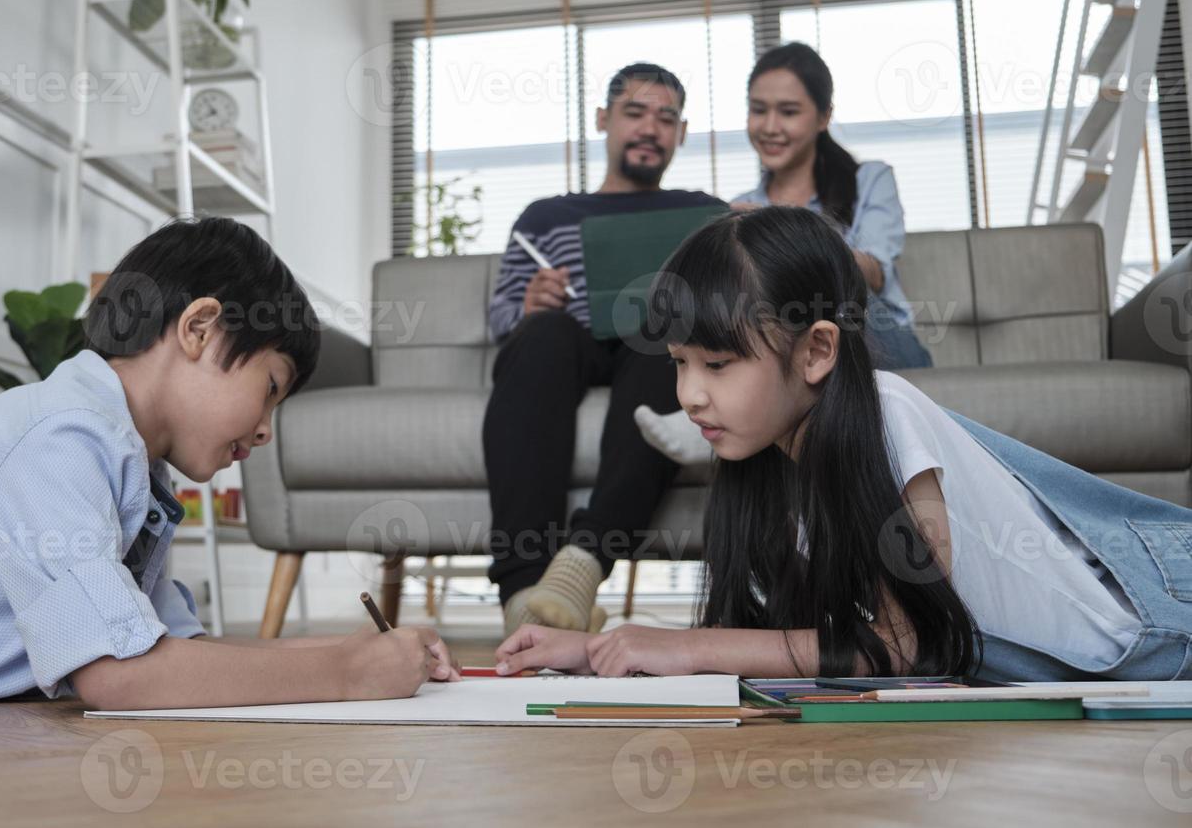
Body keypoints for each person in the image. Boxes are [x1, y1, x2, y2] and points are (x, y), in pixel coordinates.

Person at [0, 216, 459, 706]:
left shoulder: (137, 474)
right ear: (199, 328)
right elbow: (120, 673)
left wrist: (362, 647)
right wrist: (347, 672)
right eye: (268, 391)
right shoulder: (65, 437)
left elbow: (168, 651)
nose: (266, 431)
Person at [494, 207, 1192, 682]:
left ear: (817, 350)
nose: (690, 394)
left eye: (717, 364)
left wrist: (684, 646)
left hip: (1152, 645)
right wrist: (597, 649)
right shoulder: (767, 459)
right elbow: (798, 642)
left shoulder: (887, 416)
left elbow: (902, 644)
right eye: (680, 362)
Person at [485, 62, 726, 636]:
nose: (650, 128)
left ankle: (579, 570)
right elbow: (499, 320)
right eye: (635, 113)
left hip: (653, 350)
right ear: (604, 119)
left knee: (660, 335)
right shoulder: (546, 217)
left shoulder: (703, 211)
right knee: (541, 335)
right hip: (566, 346)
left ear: (681, 133)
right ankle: (524, 591)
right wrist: (528, 304)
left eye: (666, 118)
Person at [636, 41, 933, 467]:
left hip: (877, 331)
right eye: (759, 110)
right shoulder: (741, 203)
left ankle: (718, 420)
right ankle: (728, 409)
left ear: (824, 116)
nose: (770, 126)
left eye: (789, 111)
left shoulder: (869, 180)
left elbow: (875, 274)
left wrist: (783, 228)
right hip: (790, 338)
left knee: (838, 305)